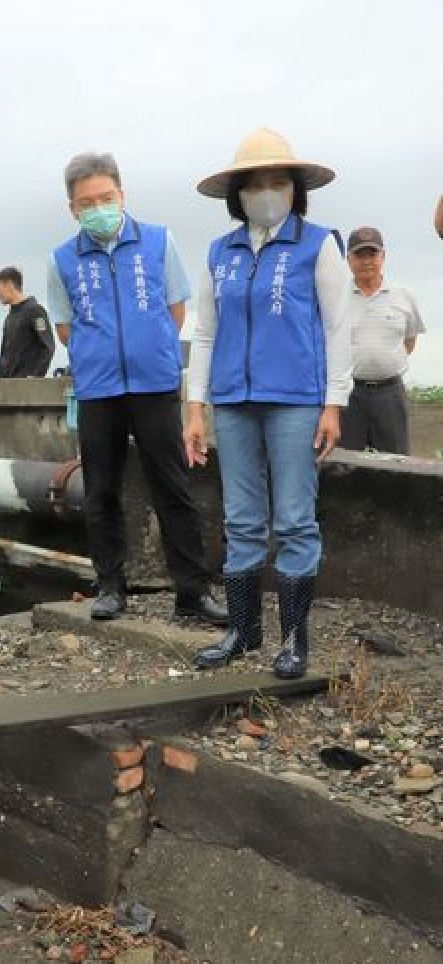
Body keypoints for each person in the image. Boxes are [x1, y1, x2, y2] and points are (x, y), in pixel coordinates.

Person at [185, 128, 352, 680]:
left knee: (296, 519)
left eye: (278, 181)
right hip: (232, 400)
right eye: (254, 184)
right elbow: (205, 332)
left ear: (295, 189)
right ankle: (243, 629)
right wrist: (195, 407)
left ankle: (294, 640)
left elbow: (336, 327)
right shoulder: (221, 252)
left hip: (296, 400)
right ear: (237, 194)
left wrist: (333, 404)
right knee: (241, 518)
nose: (266, 192)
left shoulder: (317, 243)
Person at [47, 152, 226, 626]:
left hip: (153, 385)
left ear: (122, 195)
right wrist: (101, 352)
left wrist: (148, 351)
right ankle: (109, 587)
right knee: (101, 490)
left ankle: (192, 592)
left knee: (172, 487)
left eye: (106, 197)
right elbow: (65, 328)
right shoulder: (62, 258)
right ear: (72, 208)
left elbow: (175, 311)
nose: (99, 207)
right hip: (98, 389)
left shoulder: (159, 241)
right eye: (87, 202)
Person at [339, 227, 426, 455]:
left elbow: (409, 341)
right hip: (348, 394)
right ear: (348, 259)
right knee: (344, 466)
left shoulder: (404, 295)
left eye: (372, 254)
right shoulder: (336, 297)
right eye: (360, 255)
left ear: (383, 257)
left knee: (397, 465)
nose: (366, 261)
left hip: (390, 394)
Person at [0, 267, 54, 378]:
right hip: (7, 385)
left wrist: (35, 376)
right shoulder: (9, 317)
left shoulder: (35, 310)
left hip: (26, 385)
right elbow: (4, 354)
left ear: (10, 284)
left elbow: (48, 346)